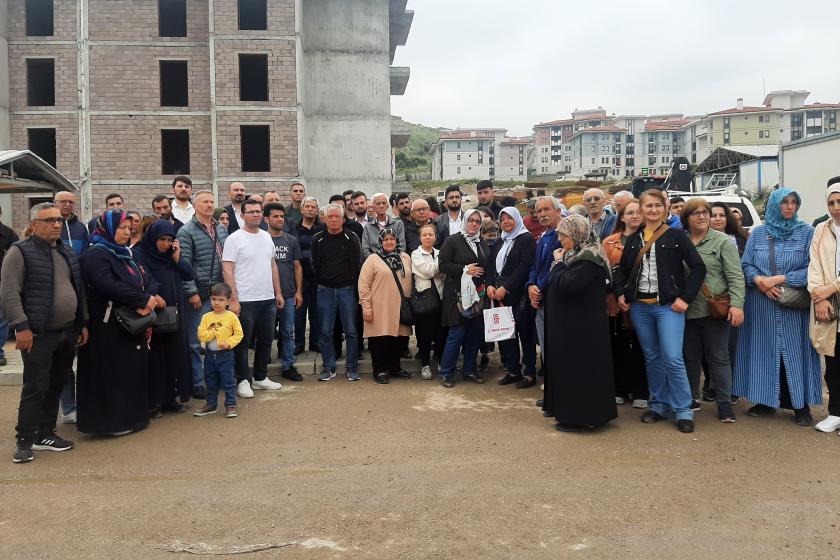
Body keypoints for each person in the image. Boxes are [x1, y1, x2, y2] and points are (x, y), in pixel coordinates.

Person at [613, 189, 705, 433]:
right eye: (648, 206)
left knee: (673, 357)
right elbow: (621, 270)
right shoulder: (633, 240)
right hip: (641, 307)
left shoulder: (677, 236)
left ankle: (683, 409)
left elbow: (698, 268)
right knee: (652, 357)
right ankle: (658, 403)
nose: (653, 210)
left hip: (668, 307)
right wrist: (621, 293)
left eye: (657, 206)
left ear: (665, 209)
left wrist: (685, 298)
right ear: (641, 210)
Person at [2, 203, 88, 463]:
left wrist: (81, 323)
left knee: (56, 384)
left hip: (65, 332)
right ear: (34, 224)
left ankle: (45, 434)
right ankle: (24, 441)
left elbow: (78, 289)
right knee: (35, 387)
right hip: (38, 334)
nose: (55, 225)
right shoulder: (20, 252)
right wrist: (21, 326)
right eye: (49, 220)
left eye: (59, 221)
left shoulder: (66, 252)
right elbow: (8, 293)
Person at [736, 188, 820, 426]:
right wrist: (760, 282)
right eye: (784, 202)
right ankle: (765, 401)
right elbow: (746, 265)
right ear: (774, 205)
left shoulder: (807, 233)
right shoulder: (759, 233)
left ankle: (801, 406)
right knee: (763, 352)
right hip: (761, 305)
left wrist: (780, 280)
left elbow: (813, 270)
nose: (790, 206)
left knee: (795, 354)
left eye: (794, 202)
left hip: (794, 307)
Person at [77, 210, 163, 436]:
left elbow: (148, 278)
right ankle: (110, 423)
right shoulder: (97, 254)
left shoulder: (126, 253)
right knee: (110, 373)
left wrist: (150, 298)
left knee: (129, 371)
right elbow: (106, 284)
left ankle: (131, 418)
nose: (127, 232)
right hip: (107, 323)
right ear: (107, 229)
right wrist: (142, 299)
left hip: (130, 320)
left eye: (129, 228)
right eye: (121, 228)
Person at [542, 215, 616, 432]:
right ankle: (569, 412)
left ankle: (583, 417)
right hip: (571, 325)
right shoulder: (575, 256)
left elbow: (567, 285)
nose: (560, 241)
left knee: (581, 371)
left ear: (577, 234)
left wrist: (556, 264)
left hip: (582, 328)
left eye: (564, 236)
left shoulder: (588, 259)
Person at [680, 198, 745, 422]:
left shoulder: (722, 241)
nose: (702, 216)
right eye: (695, 213)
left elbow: (736, 276)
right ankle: (691, 398)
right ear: (686, 218)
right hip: (687, 311)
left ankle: (724, 404)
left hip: (714, 310)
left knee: (719, 358)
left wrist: (737, 305)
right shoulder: (681, 240)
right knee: (690, 357)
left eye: (705, 212)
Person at [222, 198, 284, 398]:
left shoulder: (266, 237)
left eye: (258, 211)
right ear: (243, 215)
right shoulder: (234, 239)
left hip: (267, 299)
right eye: (251, 212)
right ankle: (242, 380)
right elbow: (228, 270)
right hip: (245, 300)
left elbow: (272, 265)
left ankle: (259, 377)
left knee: (266, 340)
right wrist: (233, 299)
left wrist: (278, 293)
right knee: (243, 342)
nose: (256, 214)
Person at [134, 220, 194, 416]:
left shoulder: (171, 255)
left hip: (175, 312)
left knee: (173, 356)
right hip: (154, 312)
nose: (165, 244)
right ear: (153, 238)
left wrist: (177, 258)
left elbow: (188, 274)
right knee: (155, 358)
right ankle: (154, 402)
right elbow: (141, 279)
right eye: (162, 239)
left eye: (169, 240)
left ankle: (170, 399)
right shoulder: (140, 253)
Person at [177, 190, 229, 400]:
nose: (209, 205)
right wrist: (192, 292)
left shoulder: (221, 228)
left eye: (211, 201)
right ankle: (198, 382)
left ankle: (216, 379)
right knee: (197, 341)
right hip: (200, 293)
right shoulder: (186, 231)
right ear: (195, 206)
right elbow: (185, 265)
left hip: (219, 293)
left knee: (218, 338)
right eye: (205, 202)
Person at [602, 198, 648, 408]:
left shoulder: (650, 239)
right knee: (617, 346)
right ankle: (618, 387)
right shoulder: (609, 241)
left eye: (638, 212)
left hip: (642, 301)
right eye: (629, 213)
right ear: (622, 217)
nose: (634, 216)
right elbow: (604, 270)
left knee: (641, 347)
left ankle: (640, 390)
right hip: (614, 303)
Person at [437, 209, 489, 387]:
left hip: (478, 295)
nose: (474, 224)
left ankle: (469, 371)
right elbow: (442, 265)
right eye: (471, 220)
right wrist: (464, 269)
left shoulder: (481, 242)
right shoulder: (453, 240)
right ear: (465, 221)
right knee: (456, 334)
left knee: (474, 334)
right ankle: (446, 373)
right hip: (457, 296)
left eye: (477, 221)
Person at [311, 204, 363, 381]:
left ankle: (352, 367)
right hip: (324, 289)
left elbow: (358, 264)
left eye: (337, 217)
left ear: (342, 219)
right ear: (324, 218)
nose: (334, 220)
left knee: (351, 331)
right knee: (325, 331)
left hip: (347, 290)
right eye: (330, 216)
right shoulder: (317, 239)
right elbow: (314, 264)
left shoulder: (351, 237)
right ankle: (328, 366)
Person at [488, 207, 537, 389]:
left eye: (510, 218)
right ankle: (514, 370)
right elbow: (492, 267)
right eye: (503, 219)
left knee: (525, 334)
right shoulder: (501, 241)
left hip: (519, 295)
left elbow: (524, 267)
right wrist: (491, 285)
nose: (506, 221)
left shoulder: (526, 239)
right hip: (499, 295)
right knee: (507, 335)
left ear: (517, 219)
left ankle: (529, 372)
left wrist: (506, 288)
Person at [359, 229, 413, 384]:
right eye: (386, 239)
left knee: (397, 339)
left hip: (400, 307)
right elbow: (364, 285)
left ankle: (395, 368)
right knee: (380, 340)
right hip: (379, 307)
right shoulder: (373, 259)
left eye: (392, 239)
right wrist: (366, 307)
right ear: (380, 242)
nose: (389, 242)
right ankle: (380, 370)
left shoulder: (405, 257)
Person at [808, 181, 840, 433]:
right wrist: (819, 297)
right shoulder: (822, 228)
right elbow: (814, 263)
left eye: (839, 202)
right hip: (827, 302)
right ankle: (835, 412)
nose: (836, 207)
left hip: (832, 292)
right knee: (833, 359)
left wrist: (832, 288)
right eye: (831, 203)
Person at [53, 192, 87, 423]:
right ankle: (64, 408)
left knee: (74, 358)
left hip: (78, 295)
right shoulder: (47, 230)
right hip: (55, 301)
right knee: (59, 362)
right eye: (62, 201)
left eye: (70, 202)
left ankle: (73, 406)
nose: (67, 205)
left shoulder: (81, 229)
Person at [264, 203, 304, 381]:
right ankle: (261, 366)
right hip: (265, 294)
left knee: (288, 332)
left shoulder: (291, 240)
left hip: (288, 294)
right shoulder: (261, 239)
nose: (280, 219)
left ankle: (288, 365)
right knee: (264, 333)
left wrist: (299, 292)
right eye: (275, 216)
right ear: (266, 219)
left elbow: (297, 267)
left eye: (282, 216)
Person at [194, 283, 244, 418]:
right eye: (214, 299)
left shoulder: (231, 317)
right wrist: (214, 333)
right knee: (210, 381)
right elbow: (201, 334)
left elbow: (239, 334)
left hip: (225, 355)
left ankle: (231, 405)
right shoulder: (206, 317)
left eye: (221, 300)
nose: (217, 303)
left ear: (228, 301)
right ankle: (211, 404)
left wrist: (229, 343)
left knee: (228, 381)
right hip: (210, 356)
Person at [527, 196, 562, 378]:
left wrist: (538, 289)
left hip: (555, 299)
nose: (542, 214)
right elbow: (535, 266)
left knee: (557, 347)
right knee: (545, 345)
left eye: (546, 209)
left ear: (557, 211)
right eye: (539, 211)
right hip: (540, 300)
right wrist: (531, 285)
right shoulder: (543, 237)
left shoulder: (564, 235)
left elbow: (558, 268)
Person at [411, 223, 446, 380]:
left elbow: (444, 272)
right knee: (424, 334)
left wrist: (437, 271)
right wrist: (438, 270)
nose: (427, 237)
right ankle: (425, 364)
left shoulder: (440, 253)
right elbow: (428, 271)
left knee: (441, 332)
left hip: (441, 297)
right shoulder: (415, 254)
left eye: (430, 234)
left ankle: (438, 359)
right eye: (424, 235)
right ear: (420, 237)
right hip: (424, 299)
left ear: (435, 237)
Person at [293, 196, 324, 354]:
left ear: (317, 210)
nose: (310, 209)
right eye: (308, 206)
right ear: (301, 209)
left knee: (316, 312)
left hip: (318, 278)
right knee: (299, 312)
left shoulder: (322, 229)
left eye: (313, 207)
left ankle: (315, 342)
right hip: (299, 277)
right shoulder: (294, 229)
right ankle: (298, 343)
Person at [361, 193, 406, 258]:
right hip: (375, 263)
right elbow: (365, 250)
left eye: (384, 203)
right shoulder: (368, 227)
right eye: (378, 203)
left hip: (395, 262)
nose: (381, 206)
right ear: (373, 207)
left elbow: (402, 247)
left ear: (387, 206)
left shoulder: (398, 224)